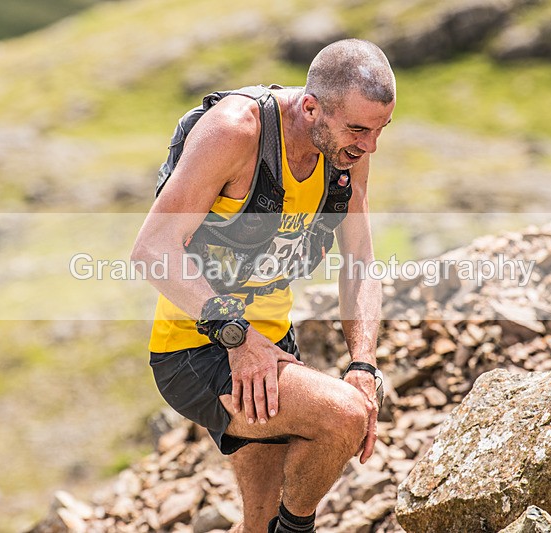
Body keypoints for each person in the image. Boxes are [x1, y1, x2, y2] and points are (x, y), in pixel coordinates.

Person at [132, 39, 395, 533]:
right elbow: (152, 249)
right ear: (312, 106)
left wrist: (363, 362)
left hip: (274, 343)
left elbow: (359, 259)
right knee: (344, 417)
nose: (369, 146)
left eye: (381, 129)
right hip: (198, 345)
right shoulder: (237, 132)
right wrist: (239, 338)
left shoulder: (344, 147)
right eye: (359, 129)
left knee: (259, 517)